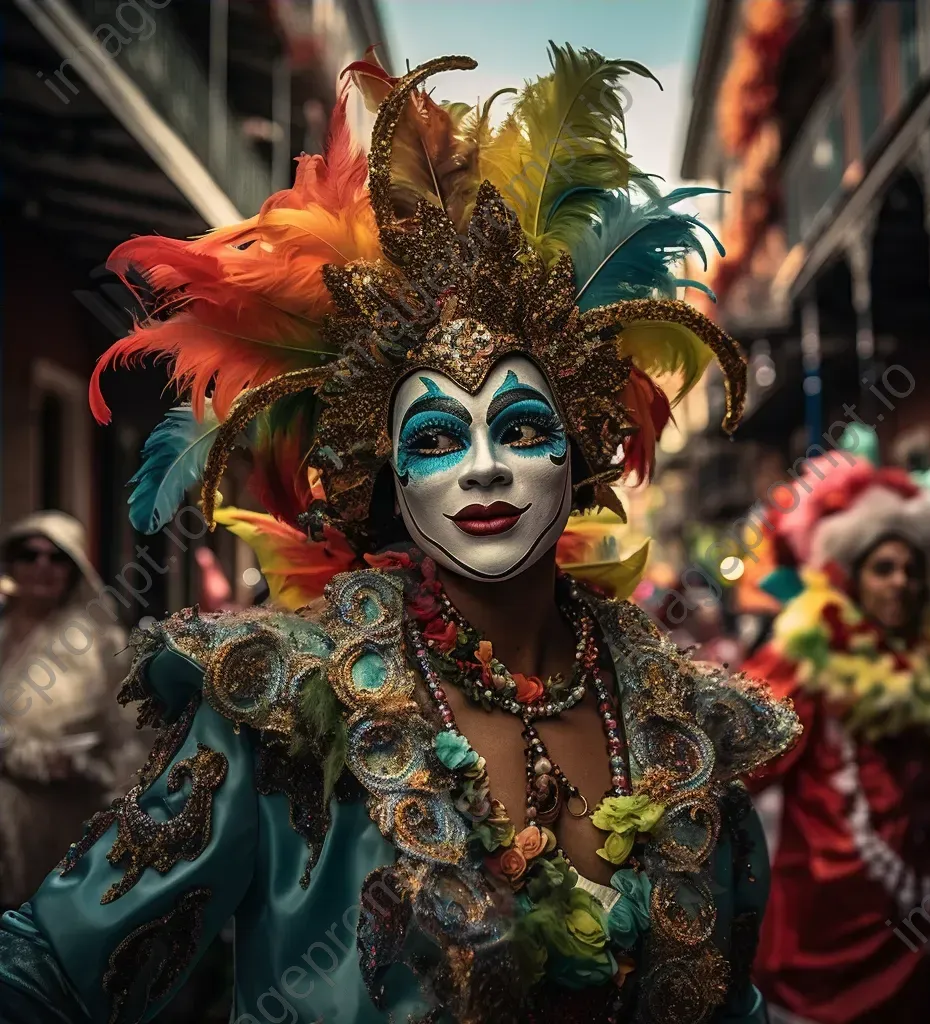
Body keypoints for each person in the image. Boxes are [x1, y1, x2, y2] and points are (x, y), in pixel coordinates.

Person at [0, 47, 800, 1023]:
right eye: (434, 438)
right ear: (391, 478)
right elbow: (52, 968)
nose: (483, 467)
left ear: (579, 451)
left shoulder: (691, 728)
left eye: (520, 428)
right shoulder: (282, 708)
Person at [742, 450, 930, 1024]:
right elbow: (741, 762)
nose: (901, 582)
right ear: (852, 577)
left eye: (912, 569)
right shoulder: (807, 663)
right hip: (826, 948)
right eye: (884, 568)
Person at [0, 511, 135, 908]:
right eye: (30, 554)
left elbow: (78, 746)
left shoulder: (92, 644)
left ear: (75, 568)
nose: (43, 566)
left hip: (53, 819)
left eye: (57, 557)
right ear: (12, 563)